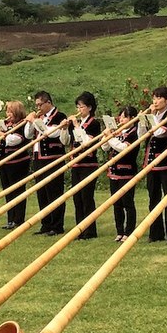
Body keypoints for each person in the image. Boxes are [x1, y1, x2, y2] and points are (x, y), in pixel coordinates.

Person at [25, 90, 69, 236]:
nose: (38, 107)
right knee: (42, 192)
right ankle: (45, 223)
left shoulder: (60, 116)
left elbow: (50, 132)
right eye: (36, 104)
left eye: (40, 104)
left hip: (53, 158)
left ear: (48, 103)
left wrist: (35, 122)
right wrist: (30, 122)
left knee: (54, 192)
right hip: (38, 158)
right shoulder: (39, 117)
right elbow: (28, 135)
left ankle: (57, 225)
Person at [143, 87, 167, 243]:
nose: (155, 101)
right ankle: (156, 232)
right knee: (153, 198)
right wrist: (145, 119)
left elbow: (161, 132)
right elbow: (143, 135)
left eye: (159, 98)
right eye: (154, 97)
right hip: (151, 162)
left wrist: (150, 119)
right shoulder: (152, 116)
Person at [0, 100, 31, 230]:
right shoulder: (7, 124)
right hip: (5, 162)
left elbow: (12, 140)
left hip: (18, 162)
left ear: (17, 112)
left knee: (17, 190)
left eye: (10, 111)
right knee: (7, 191)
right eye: (7, 111)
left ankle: (18, 219)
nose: (8, 114)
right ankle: (10, 219)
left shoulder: (22, 124)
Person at [102, 106, 140, 242]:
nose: (121, 120)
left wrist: (110, 138)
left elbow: (124, 148)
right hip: (114, 171)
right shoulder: (118, 131)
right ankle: (119, 231)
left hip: (127, 170)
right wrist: (106, 137)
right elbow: (105, 147)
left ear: (132, 119)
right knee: (116, 203)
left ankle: (129, 231)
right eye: (121, 116)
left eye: (124, 117)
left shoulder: (134, 133)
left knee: (127, 203)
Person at [69, 91, 102, 239]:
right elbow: (67, 142)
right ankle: (79, 229)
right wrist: (65, 128)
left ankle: (90, 230)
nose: (79, 110)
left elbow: (87, 142)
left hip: (88, 164)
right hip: (76, 164)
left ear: (89, 108)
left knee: (87, 197)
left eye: (81, 107)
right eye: (78, 107)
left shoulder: (94, 123)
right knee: (77, 198)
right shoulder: (77, 124)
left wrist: (76, 125)